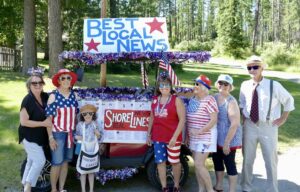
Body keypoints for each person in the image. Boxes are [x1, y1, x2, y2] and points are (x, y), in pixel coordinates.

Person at [240, 55, 295, 192]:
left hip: (268, 127)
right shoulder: (244, 85)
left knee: (270, 160)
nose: (252, 70)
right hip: (249, 126)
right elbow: (242, 103)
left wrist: (283, 118)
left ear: (262, 67)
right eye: (249, 67)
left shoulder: (273, 85)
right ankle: (246, 187)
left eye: (255, 67)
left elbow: (289, 100)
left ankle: (272, 189)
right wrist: (243, 118)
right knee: (247, 159)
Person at [147, 72, 186, 192]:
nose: (164, 88)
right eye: (162, 85)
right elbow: (152, 118)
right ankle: (164, 187)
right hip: (158, 137)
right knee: (160, 162)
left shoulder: (176, 100)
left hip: (172, 138)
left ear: (170, 86)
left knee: (174, 162)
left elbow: (182, 120)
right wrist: (149, 134)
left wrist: (174, 137)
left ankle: (176, 186)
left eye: (167, 85)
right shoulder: (154, 100)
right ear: (158, 87)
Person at [46, 69, 78, 192]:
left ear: (71, 80)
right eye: (63, 78)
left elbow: (75, 116)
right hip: (58, 134)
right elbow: (49, 120)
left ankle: (61, 188)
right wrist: (50, 137)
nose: (66, 80)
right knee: (57, 162)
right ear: (58, 81)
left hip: (70, 134)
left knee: (65, 162)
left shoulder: (74, 95)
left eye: (68, 78)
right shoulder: (54, 96)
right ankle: (54, 189)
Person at [19, 74, 52, 192]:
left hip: (39, 137)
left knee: (31, 161)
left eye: (40, 82)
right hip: (29, 136)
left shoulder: (44, 96)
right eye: (34, 83)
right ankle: (28, 187)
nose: (38, 85)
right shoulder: (27, 100)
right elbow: (23, 122)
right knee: (40, 161)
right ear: (29, 86)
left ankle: (24, 185)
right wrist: (43, 124)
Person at [186, 74, 218, 192]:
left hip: (206, 137)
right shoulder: (193, 99)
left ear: (204, 87)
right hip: (194, 138)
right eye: (194, 84)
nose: (195, 86)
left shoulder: (209, 100)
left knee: (199, 164)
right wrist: (188, 136)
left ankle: (210, 190)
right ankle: (201, 189)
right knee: (198, 166)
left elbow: (214, 120)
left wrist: (199, 131)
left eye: (197, 84)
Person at [212, 74, 242, 192]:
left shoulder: (231, 101)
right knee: (217, 161)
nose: (223, 86)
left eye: (226, 84)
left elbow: (234, 124)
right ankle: (219, 186)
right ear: (217, 84)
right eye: (220, 83)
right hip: (217, 136)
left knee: (229, 163)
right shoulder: (214, 97)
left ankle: (232, 190)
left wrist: (226, 143)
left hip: (229, 137)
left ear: (230, 87)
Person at [75, 104, 101, 192]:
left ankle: (91, 190)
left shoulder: (95, 124)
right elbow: (75, 135)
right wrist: (77, 137)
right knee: (83, 171)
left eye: (90, 113)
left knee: (91, 170)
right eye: (85, 114)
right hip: (83, 149)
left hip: (93, 150)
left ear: (93, 114)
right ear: (82, 115)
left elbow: (100, 136)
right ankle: (83, 190)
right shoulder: (80, 125)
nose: (88, 116)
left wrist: (98, 134)